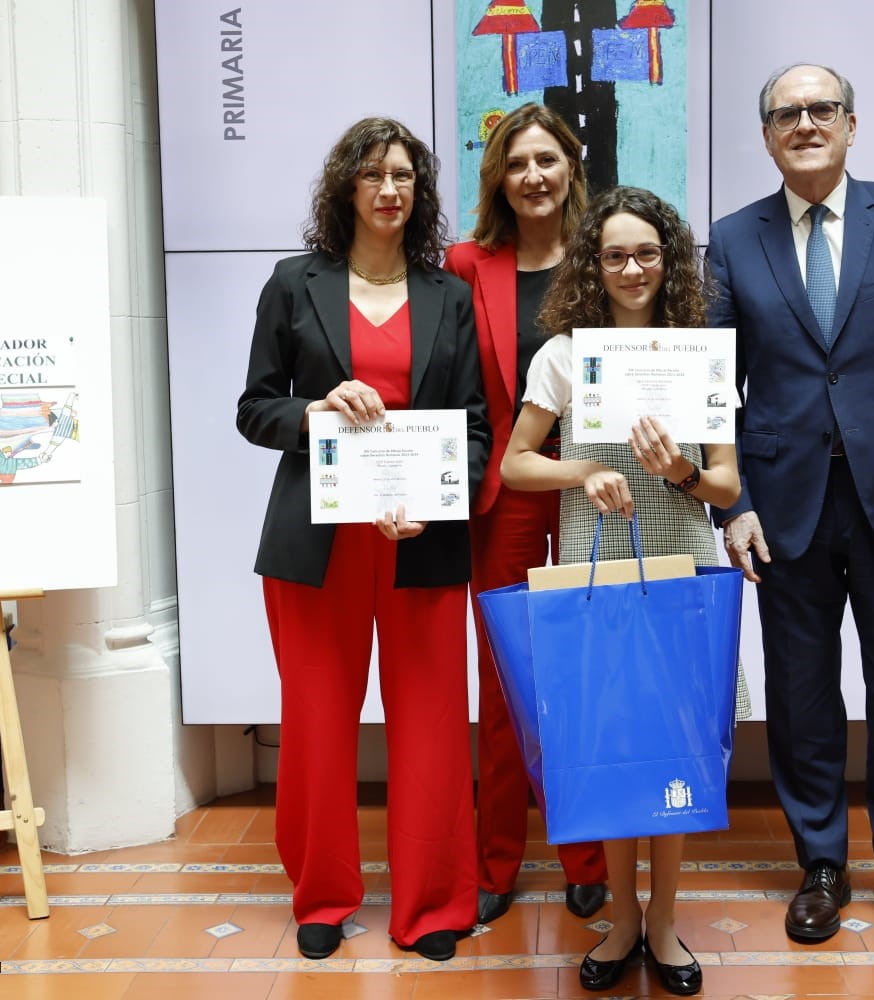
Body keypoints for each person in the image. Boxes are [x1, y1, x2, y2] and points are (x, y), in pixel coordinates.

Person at [705, 63, 874, 951]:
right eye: (789, 113)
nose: (807, 123)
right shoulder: (733, 238)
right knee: (801, 688)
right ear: (768, 135)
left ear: (852, 125)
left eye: (823, 109)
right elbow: (717, 391)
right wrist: (733, 502)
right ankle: (821, 861)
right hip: (783, 506)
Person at [236, 117, 490, 964]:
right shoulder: (292, 282)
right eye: (374, 174)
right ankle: (323, 895)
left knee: (429, 726)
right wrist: (311, 412)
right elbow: (254, 408)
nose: (390, 190)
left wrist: (440, 501)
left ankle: (433, 906)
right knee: (314, 725)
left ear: (419, 194)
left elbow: (478, 428)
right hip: (317, 543)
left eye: (406, 177)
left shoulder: (448, 294)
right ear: (345, 185)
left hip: (418, 537)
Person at [502, 186, 741, 996]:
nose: (632, 267)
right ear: (592, 266)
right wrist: (589, 469)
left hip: (678, 562)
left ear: (668, 258)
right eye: (614, 255)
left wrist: (682, 472)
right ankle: (625, 920)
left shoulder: (698, 352)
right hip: (595, 565)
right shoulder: (566, 354)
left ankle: (665, 922)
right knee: (608, 741)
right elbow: (515, 463)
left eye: (646, 252)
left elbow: (727, 485)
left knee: (672, 742)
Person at [442, 102, 608, 927]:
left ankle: (586, 857)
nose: (534, 176)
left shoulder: (607, 254)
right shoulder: (467, 264)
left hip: (595, 492)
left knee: (583, 673)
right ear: (498, 179)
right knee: (507, 681)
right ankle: (496, 860)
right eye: (517, 164)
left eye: (547, 160)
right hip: (502, 501)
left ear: (571, 166)